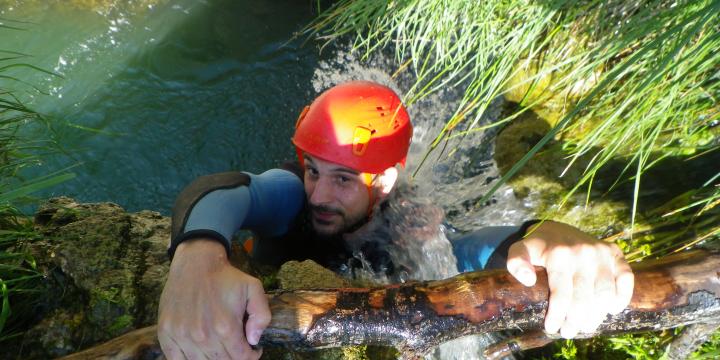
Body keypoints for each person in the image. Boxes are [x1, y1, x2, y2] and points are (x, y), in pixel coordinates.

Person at [158, 81, 634, 360]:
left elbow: (474, 249)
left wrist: (541, 236)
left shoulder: (410, 226)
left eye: (343, 179)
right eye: (313, 170)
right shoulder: (291, 195)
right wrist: (196, 256)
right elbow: (222, 190)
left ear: (383, 181)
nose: (319, 194)